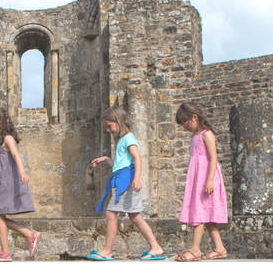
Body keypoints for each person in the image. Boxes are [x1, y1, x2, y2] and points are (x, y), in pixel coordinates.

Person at [88, 106, 165, 261]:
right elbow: (119, 165)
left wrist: (136, 178)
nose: (108, 130)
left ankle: (107, 250)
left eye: (109, 126)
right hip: (123, 179)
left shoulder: (128, 138)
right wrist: (106, 159)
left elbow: (137, 158)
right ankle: (156, 248)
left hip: (126, 182)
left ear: (119, 122)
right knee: (135, 217)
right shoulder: (122, 140)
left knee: (110, 214)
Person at [0, 107, 40, 262]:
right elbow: (3, 163)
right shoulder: (3, 142)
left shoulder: (8, 139)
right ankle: (28, 236)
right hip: (2, 183)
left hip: (5, 184)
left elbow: (15, 155)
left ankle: (6, 252)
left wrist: (22, 172)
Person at [174, 102, 228, 261]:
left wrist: (210, 180)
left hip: (207, 179)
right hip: (198, 180)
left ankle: (195, 249)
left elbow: (213, 158)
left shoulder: (206, 134)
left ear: (194, 117)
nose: (184, 127)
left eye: (185, 123)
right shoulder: (195, 137)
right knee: (207, 216)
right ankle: (220, 249)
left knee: (199, 213)